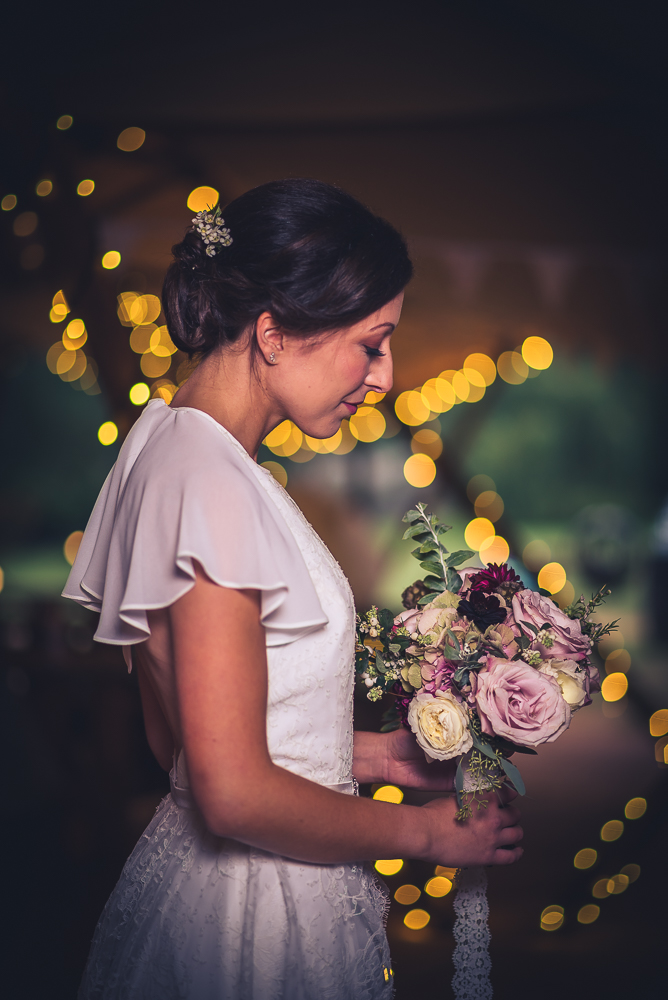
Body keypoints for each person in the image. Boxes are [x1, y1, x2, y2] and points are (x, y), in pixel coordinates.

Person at [64, 179, 522, 1000]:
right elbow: (232, 793)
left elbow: (185, 743)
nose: (382, 377)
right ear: (274, 334)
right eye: (371, 343)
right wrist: (425, 835)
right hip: (252, 922)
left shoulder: (167, 446)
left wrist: (373, 753)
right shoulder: (211, 486)